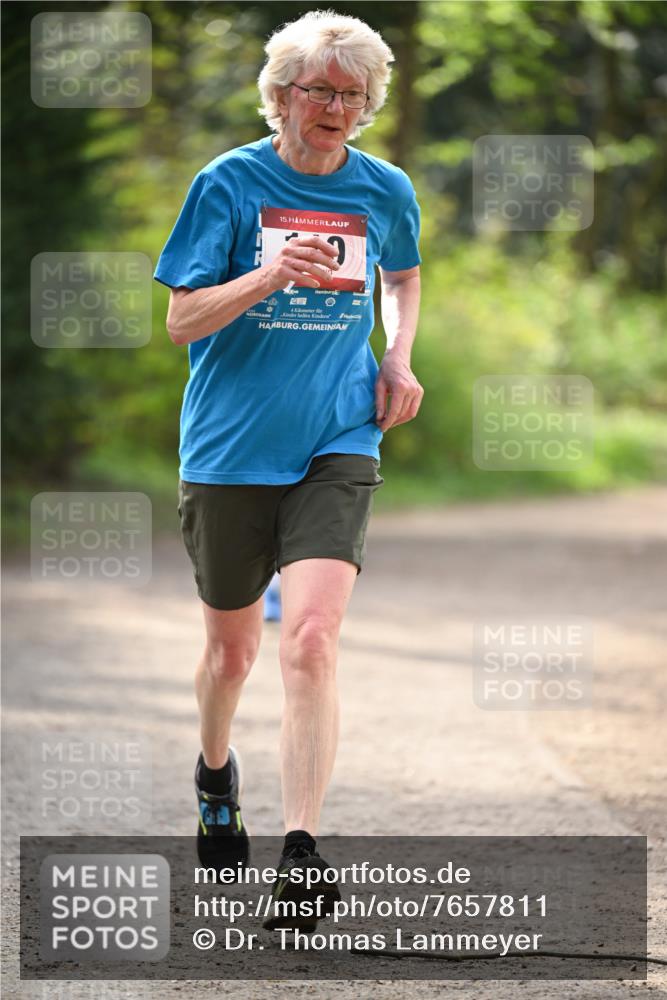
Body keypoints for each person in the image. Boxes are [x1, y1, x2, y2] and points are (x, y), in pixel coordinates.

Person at [154, 9, 423, 931]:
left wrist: (397, 356)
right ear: (280, 97)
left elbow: (404, 275)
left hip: (337, 436)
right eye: (320, 91)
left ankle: (301, 853)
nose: (337, 108)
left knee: (309, 639)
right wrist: (270, 277)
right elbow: (182, 319)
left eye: (353, 94)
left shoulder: (384, 189)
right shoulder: (227, 182)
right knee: (231, 653)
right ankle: (215, 771)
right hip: (231, 446)